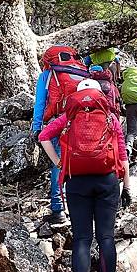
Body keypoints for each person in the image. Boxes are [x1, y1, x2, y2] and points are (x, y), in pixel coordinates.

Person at [39, 79, 131, 272]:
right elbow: (122, 155)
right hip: (107, 181)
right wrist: (127, 187)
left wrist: (59, 164)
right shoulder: (111, 119)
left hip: (77, 181)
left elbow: (43, 136)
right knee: (106, 238)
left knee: (81, 238)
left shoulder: (68, 118)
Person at [32, 45, 88, 225]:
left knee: (59, 163)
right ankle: (79, 207)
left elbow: (40, 103)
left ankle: (58, 209)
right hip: (82, 120)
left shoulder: (48, 75)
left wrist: (37, 128)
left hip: (59, 123)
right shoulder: (81, 72)